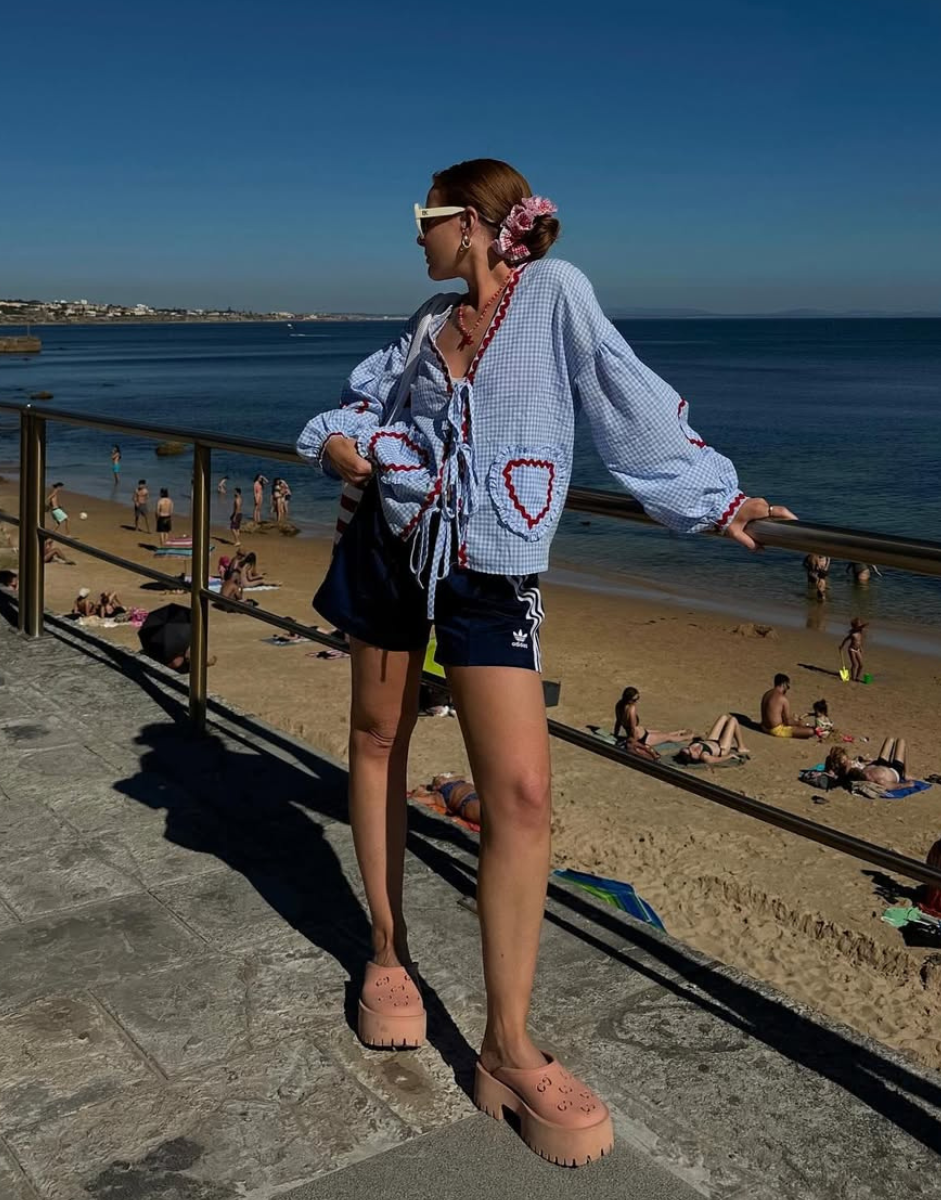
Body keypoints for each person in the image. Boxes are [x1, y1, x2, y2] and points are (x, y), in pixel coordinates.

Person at [296, 157, 795, 1165]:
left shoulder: (554, 297)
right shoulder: (427, 323)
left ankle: (506, 1044)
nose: (416, 234)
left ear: (476, 222)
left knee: (521, 794)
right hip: (388, 555)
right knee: (377, 740)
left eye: (425, 216)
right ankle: (387, 954)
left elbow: (624, 396)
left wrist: (715, 498)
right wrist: (340, 446)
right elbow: (365, 408)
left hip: (492, 573)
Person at [613, 687, 692, 750]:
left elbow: (618, 722)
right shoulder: (631, 709)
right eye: (634, 700)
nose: (636, 701)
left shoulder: (619, 705)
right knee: (668, 738)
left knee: (660, 732)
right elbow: (633, 729)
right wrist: (635, 743)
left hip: (641, 732)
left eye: (638, 698)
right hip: (642, 738)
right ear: (629, 700)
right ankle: (688, 737)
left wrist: (615, 735)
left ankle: (678, 732)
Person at [824, 738, 918, 788]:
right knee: (901, 742)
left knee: (890, 739)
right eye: (844, 761)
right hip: (895, 771)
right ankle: (905, 773)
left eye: (846, 758)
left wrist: (865, 761)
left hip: (878, 765)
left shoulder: (858, 769)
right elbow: (892, 786)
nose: (848, 761)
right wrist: (906, 785)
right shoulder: (872, 778)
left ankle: (905, 773)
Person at [760, 674, 821, 739]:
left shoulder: (767, 694)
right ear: (784, 684)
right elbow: (788, 722)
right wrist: (799, 723)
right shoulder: (782, 698)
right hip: (775, 730)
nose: (787, 689)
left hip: (764, 727)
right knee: (810, 731)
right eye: (787, 686)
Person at [674, 715, 751, 765]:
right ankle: (741, 746)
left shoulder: (692, 747)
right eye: (691, 753)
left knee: (723, 717)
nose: (693, 749)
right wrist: (729, 756)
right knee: (733, 720)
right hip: (722, 747)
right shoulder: (705, 756)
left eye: (689, 748)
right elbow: (715, 760)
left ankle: (726, 734)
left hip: (711, 740)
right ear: (694, 758)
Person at [412, 774, 482, 824]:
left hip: (469, 801)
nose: (440, 778)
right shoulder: (440, 795)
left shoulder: (440, 795)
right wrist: (420, 790)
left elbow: (413, 800)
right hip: (469, 801)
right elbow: (413, 800)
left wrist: (419, 790)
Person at [840, 617, 867, 682]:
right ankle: (853, 677)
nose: (861, 626)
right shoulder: (853, 634)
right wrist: (842, 646)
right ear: (855, 627)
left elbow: (859, 641)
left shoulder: (860, 632)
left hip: (857, 649)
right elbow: (845, 640)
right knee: (854, 664)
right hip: (851, 649)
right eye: (859, 625)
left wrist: (860, 648)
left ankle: (857, 677)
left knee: (861, 665)